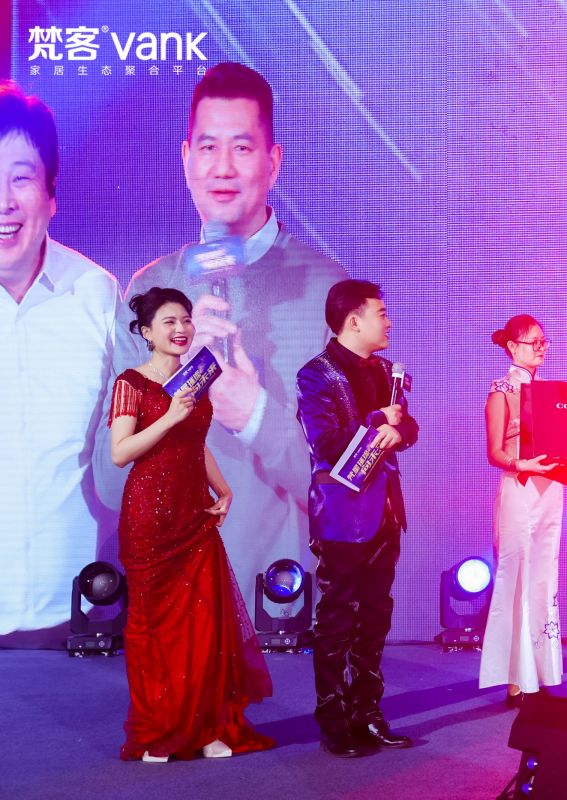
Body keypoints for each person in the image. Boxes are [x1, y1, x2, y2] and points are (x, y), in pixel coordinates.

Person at [104, 62, 347, 611]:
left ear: (273, 162)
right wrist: (173, 382)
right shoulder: (150, 289)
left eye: (242, 147)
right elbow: (107, 479)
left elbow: (352, 484)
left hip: (282, 602)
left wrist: (254, 415)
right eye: (208, 147)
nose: (222, 168)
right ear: (186, 158)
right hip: (171, 594)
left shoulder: (329, 289)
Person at [109, 287, 273, 762]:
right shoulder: (131, 383)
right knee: (155, 629)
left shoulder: (194, 379)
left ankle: (205, 727)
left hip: (194, 515)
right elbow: (121, 453)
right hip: (149, 520)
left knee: (204, 627)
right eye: (169, 322)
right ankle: (160, 729)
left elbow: (194, 445)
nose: (181, 329)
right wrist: (168, 417)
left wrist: (223, 489)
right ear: (146, 332)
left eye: (185, 319)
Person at [0, 80, 121, 638]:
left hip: (79, 624)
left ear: (51, 195)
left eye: (21, 177)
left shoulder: (98, 297)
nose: (4, 201)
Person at [296, 279, 418, 758]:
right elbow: (325, 444)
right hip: (341, 514)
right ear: (353, 321)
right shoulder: (316, 375)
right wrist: (377, 422)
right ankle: (333, 721)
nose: (389, 322)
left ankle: (368, 713)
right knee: (336, 619)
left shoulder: (387, 370)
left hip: (386, 511)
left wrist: (399, 431)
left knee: (375, 617)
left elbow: (407, 425)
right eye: (381, 313)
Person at [479, 314, 563, 708]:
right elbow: (494, 451)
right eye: (534, 342)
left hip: (550, 490)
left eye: (544, 341)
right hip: (520, 487)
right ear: (512, 347)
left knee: (544, 577)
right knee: (516, 578)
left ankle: (542, 672)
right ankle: (516, 681)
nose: (542, 348)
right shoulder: (501, 391)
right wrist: (520, 464)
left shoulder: (552, 392)